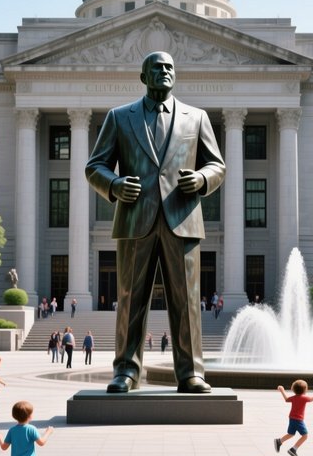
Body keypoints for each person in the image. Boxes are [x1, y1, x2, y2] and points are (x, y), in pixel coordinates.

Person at [85, 51, 225, 394]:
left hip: (183, 217)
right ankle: (126, 372)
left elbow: (217, 165)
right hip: (136, 219)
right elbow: (95, 166)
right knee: (131, 298)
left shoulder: (197, 118)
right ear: (143, 76)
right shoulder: (120, 118)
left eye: (169, 68)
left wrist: (204, 180)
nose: (164, 72)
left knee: (188, 301)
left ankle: (191, 373)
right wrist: (114, 185)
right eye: (156, 68)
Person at [274, 380, 313, 456]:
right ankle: (293, 449)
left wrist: (282, 390)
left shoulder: (294, 398)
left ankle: (279, 441)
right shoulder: (304, 398)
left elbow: (286, 399)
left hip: (292, 418)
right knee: (305, 436)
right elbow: (311, 399)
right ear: (305, 390)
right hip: (298, 420)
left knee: (291, 434)